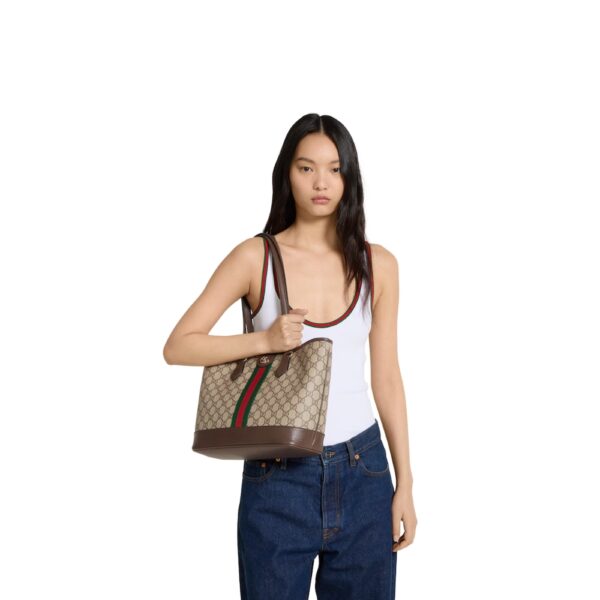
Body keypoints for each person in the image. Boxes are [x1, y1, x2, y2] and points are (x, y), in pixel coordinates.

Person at [163, 113, 417, 599]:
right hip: (277, 477)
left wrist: (404, 482)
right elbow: (178, 345)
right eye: (306, 168)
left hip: (365, 472)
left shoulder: (377, 264)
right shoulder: (255, 257)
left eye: (335, 169)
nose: (321, 182)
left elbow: (387, 378)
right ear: (287, 173)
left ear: (349, 177)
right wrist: (264, 341)